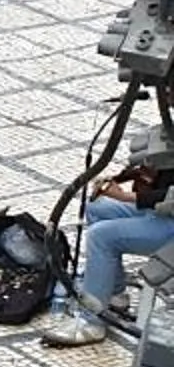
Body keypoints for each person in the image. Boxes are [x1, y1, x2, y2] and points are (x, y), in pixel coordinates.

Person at [45, 143, 174, 347]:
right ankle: (114, 293)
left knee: (101, 236)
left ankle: (91, 322)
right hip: (164, 211)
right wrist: (117, 179)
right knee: (98, 208)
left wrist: (126, 196)